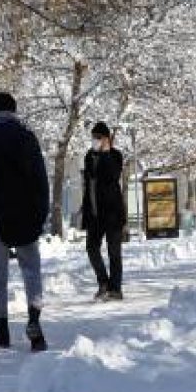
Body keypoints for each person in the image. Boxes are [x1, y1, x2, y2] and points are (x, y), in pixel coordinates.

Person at [0, 92, 49, 352]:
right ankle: (34, 322)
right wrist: (41, 212)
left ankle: (2, 331)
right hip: (26, 214)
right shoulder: (27, 138)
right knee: (31, 271)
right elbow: (40, 178)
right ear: (14, 110)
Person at [81, 121, 125, 301]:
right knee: (92, 249)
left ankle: (115, 288)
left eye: (98, 138)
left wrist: (106, 154)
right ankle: (103, 282)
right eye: (93, 137)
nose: (95, 141)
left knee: (114, 252)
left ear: (107, 139)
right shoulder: (89, 156)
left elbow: (113, 175)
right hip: (94, 212)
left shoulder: (116, 155)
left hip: (113, 213)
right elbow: (90, 180)